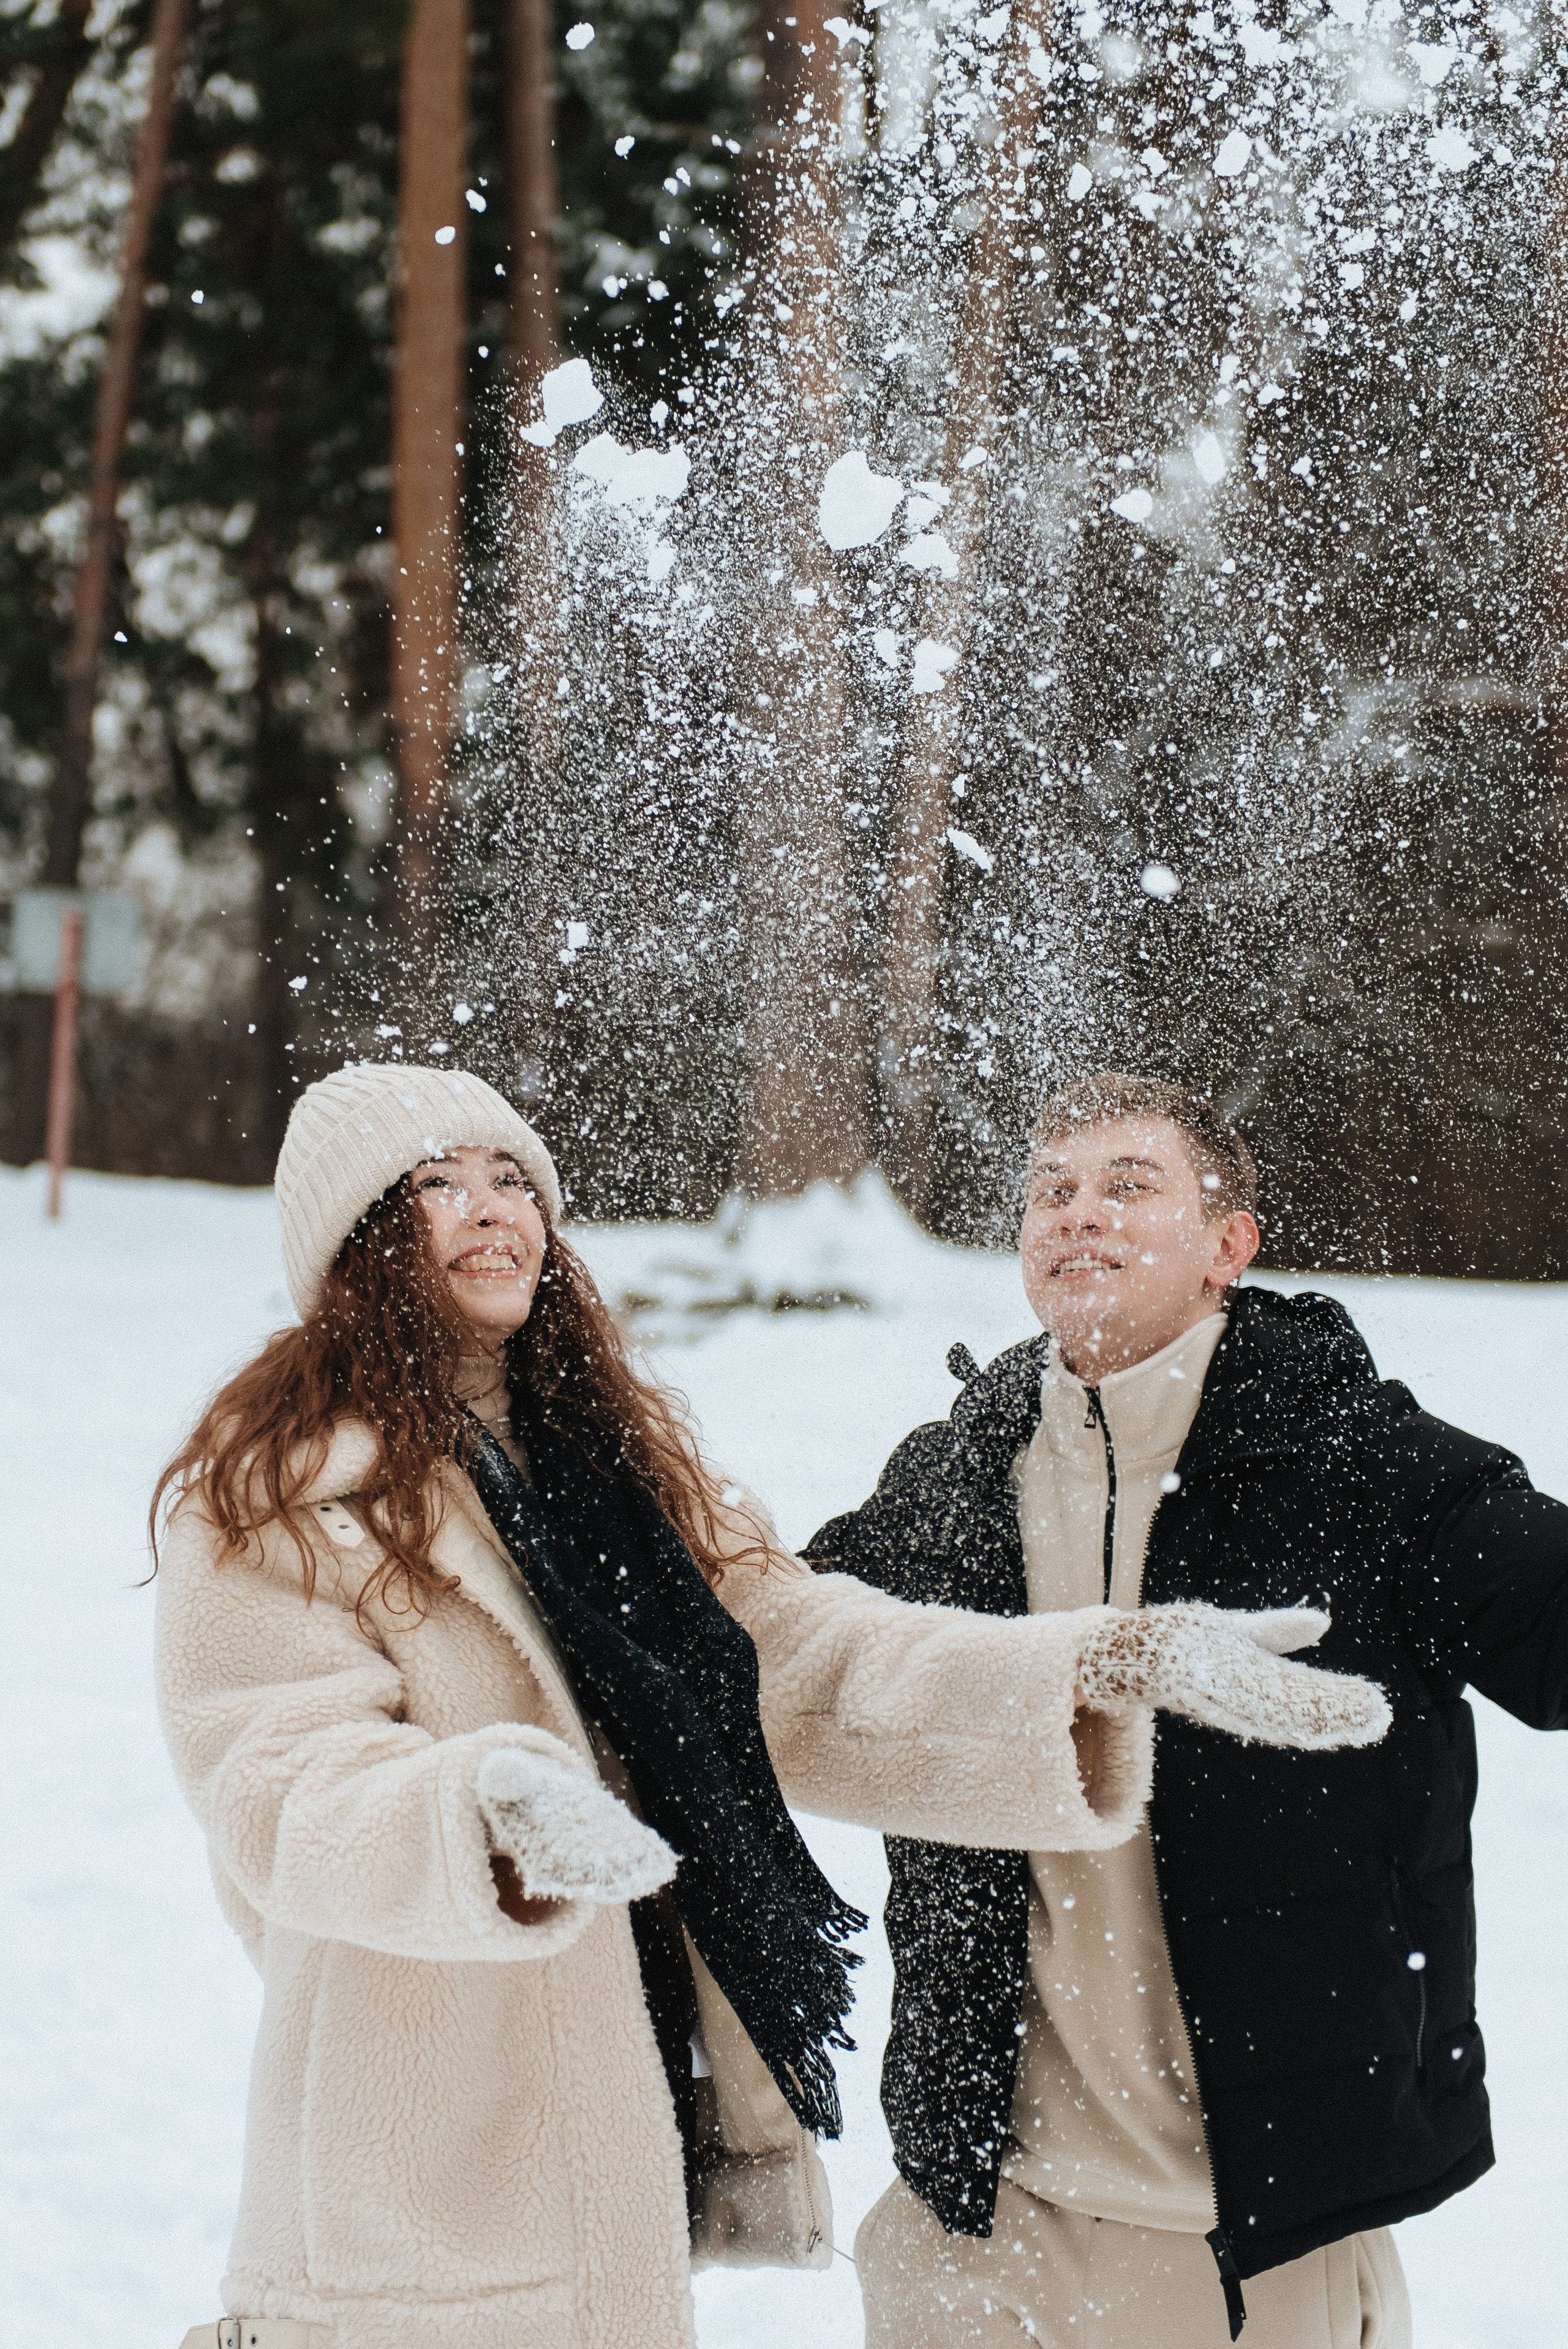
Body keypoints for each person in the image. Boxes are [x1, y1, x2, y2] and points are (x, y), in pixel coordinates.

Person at [154, 1062, 1387, 2349]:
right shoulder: (278, 1494)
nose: (490, 1210)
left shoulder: (609, 1470)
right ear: (351, 1246)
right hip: (417, 2152)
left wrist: (1088, 1665)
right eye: (434, 1186)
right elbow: (277, 1780)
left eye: (512, 1178)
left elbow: (805, 1660)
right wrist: (481, 1811)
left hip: (619, 2106)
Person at [806, 1070, 1568, 2349]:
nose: (1075, 1213)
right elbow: (775, 1661)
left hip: (1245, 2235)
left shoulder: (1357, 1461)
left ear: (1229, 1246)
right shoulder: (954, 1476)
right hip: (971, 2222)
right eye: (1049, 1189)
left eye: (1126, 1184)